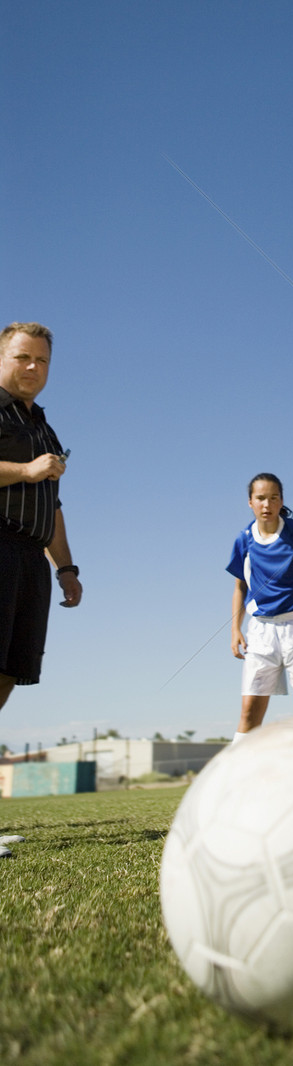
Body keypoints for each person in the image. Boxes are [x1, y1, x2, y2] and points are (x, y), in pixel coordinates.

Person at [0, 321, 82, 861]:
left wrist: (67, 568)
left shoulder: (44, 428)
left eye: (43, 361)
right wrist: (27, 471)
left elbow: (51, 508)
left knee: (8, 676)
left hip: (31, 560)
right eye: (23, 357)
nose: (33, 368)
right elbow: (31, 481)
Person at [226, 473, 293, 742]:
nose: (266, 504)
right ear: (250, 502)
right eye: (260, 498)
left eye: (273, 498)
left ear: (281, 501)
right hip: (261, 630)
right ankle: (236, 778)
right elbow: (240, 586)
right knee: (249, 713)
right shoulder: (244, 539)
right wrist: (235, 629)